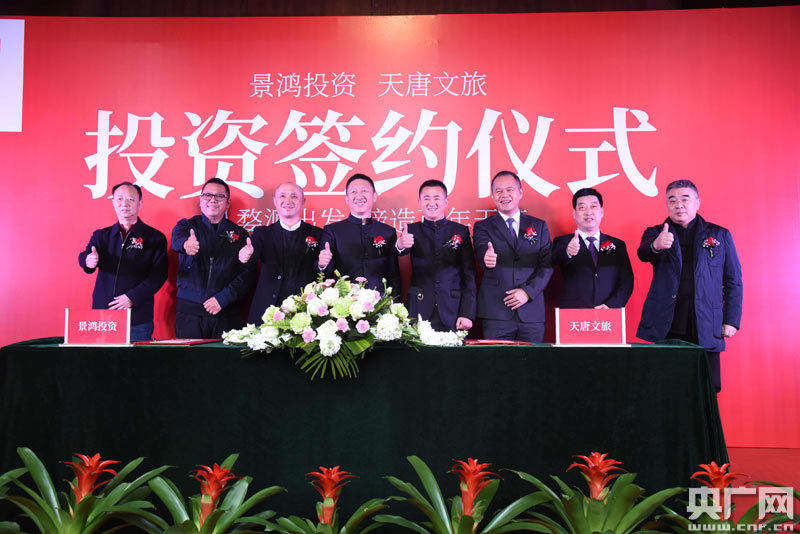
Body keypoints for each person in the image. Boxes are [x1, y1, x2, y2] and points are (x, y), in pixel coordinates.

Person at [637, 179, 742, 393]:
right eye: (672, 200)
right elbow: (643, 253)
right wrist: (656, 245)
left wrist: (731, 320)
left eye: (685, 199)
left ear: (697, 202)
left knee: (707, 386)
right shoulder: (655, 232)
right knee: (667, 385)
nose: (679, 205)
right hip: (668, 320)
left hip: (705, 320)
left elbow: (733, 280)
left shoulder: (719, 234)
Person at [78, 182, 168, 342]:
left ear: (140, 203)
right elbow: (85, 255)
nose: (124, 204)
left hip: (137, 317)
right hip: (103, 315)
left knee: (135, 358)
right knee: (101, 357)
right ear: (113, 202)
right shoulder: (101, 236)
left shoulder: (154, 237)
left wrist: (132, 297)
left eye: (130, 199)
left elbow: (158, 275)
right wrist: (88, 261)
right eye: (119, 199)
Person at [473, 170, 553, 342]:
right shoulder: (482, 227)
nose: (504, 194)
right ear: (493, 195)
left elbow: (547, 265)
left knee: (532, 359)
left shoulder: (539, 226)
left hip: (531, 312)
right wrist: (486, 257)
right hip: (497, 313)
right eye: (498, 191)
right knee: (496, 359)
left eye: (509, 189)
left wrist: (527, 292)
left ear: (520, 192)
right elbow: (481, 247)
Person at [171, 178, 253, 338]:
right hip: (189, 314)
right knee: (188, 354)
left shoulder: (240, 234)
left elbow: (247, 275)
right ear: (201, 199)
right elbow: (176, 241)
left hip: (226, 313)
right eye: (207, 195)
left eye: (219, 196)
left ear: (228, 203)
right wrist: (185, 244)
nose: (213, 200)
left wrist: (223, 298)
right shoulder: (186, 226)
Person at [396, 179, 476, 332]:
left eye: (437, 198)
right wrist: (400, 245)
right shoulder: (411, 230)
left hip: (453, 309)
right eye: (426, 198)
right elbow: (400, 250)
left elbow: (469, 275)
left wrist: (467, 313)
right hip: (418, 307)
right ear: (419, 202)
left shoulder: (460, 231)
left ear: (445, 202)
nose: (431, 203)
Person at [238, 182, 323, 324]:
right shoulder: (262, 233)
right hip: (267, 311)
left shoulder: (317, 234)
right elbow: (250, 258)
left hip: (305, 311)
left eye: (294, 196)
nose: (288, 201)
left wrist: (323, 265)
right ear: (275, 201)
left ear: (303, 201)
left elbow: (325, 272)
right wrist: (245, 256)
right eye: (282, 196)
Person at [317, 173, 401, 297]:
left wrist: (395, 302)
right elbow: (324, 276)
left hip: (380, 301)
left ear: (374, 196)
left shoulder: (388, 232)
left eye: (364, 191)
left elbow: (393, 274)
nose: (359, 196)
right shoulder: (332, 230)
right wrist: (322, 265)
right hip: (344, 301)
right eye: (353, 192)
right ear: (347, 199)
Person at [552, 187, 633, 309]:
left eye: (593, 206)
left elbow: (627, 281)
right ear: (574, 214)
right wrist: (568, 252)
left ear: (602, 212)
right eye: (582, 207)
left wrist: (611, 305)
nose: (588, 212)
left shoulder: (617, 245)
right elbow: (553, 259)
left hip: (607, 313)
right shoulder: (563, 242)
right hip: (573, 314)